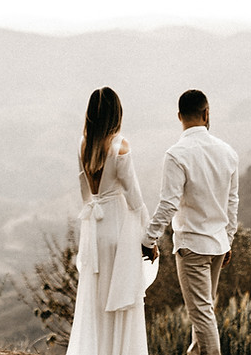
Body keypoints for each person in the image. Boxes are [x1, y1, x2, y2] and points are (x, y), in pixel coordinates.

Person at [142, 89, 239, 355]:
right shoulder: (228, 152)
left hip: (192, 247)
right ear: (206, 113)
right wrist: (228, 238)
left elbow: (169, 203)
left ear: (179, 117)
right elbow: (233, 201)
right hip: (218, 246)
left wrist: (148, 239)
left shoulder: (176, 154)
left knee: (203, 315)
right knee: (203, 313)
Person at [66, 87, 151, 355]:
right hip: (118, 227)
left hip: (93, 230)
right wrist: (150, 236)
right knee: (120, 299)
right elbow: (135, 198)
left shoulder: (83, 145)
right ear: (117, 113)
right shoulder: (120, 146)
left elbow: (85, 195)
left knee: (95, 301)